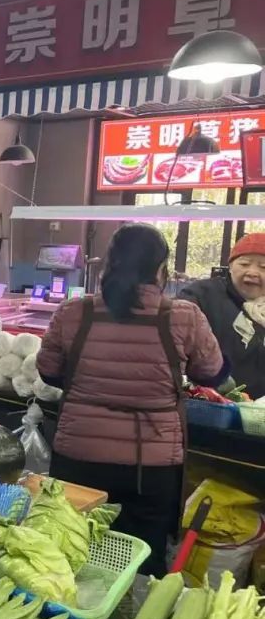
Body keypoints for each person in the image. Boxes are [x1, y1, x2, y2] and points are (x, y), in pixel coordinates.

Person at [36, 223, 231, 576]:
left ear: (109, 263)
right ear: (160, 269)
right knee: (142, 559)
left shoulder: (74, 312)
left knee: (68, 554)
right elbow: (212, 374)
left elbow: (49, 372)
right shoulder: (183, 316)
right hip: (150, 465)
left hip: (79, 455)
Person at [178, 232, 265, 398]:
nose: (252, 272)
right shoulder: (201, 295)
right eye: (244, 264)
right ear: (230, 267)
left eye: (263, 267)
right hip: (212, 403)